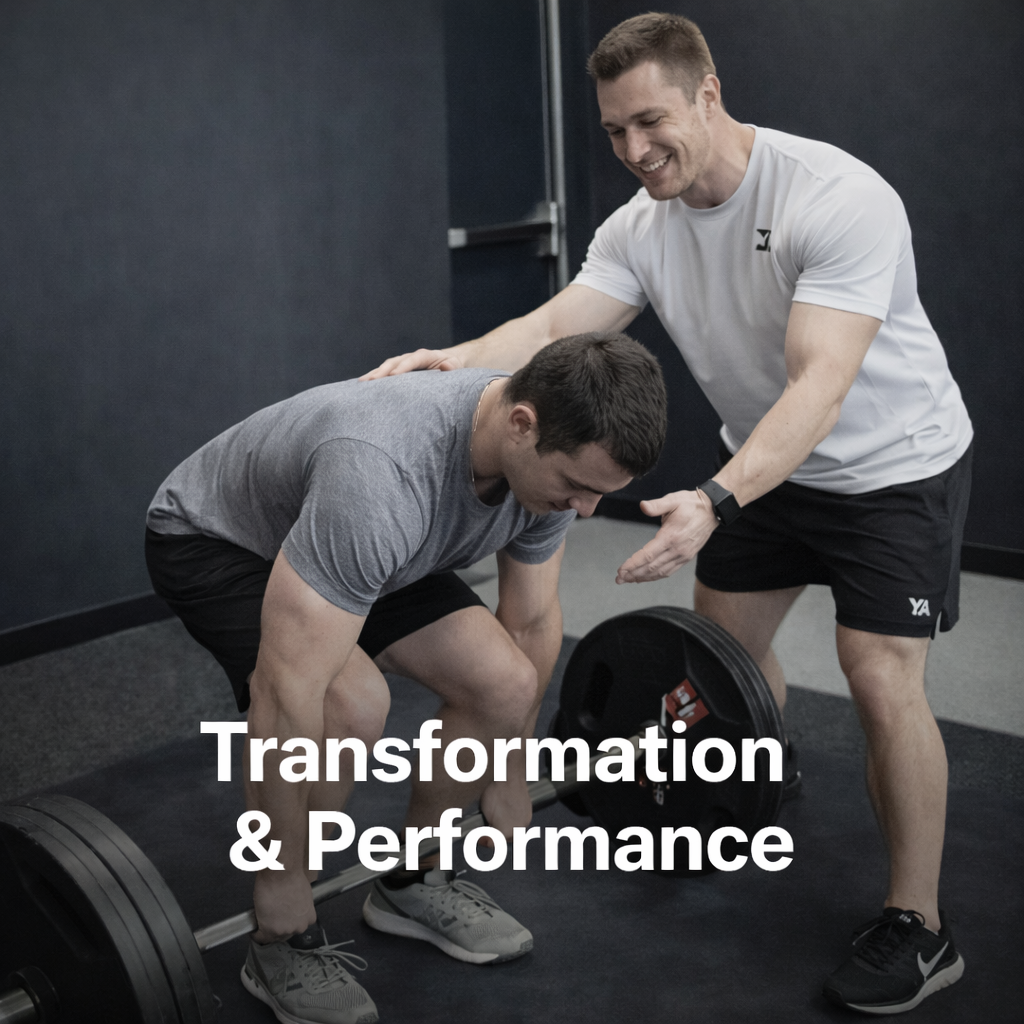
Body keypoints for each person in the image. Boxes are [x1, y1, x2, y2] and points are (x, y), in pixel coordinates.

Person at [363, 12, 972, 1017]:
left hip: (889, 469)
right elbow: (556, 325)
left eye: (649, 121)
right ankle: (755, 784)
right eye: (612, 132)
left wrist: (717, 497)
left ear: (706, 92)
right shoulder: (640, 228)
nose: (633, 151)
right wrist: (454, 357)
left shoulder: (834, 197)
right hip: (763, 470)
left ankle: (919, 923)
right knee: (725, 659)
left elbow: (819, 385)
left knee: (877, 676)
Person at [144, 332, 666, 1024]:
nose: (587, 511)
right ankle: (282, 941)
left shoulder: (546, 470)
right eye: (575, 486)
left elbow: (533, 623)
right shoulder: (380, 473)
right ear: (522, 425)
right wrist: (280, 871)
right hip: (221, 541)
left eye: (601, 494)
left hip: (385, 547)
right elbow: (285, 689)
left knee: (504, 686)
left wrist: (511, 767)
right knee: (350, 704)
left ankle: (411, 878)